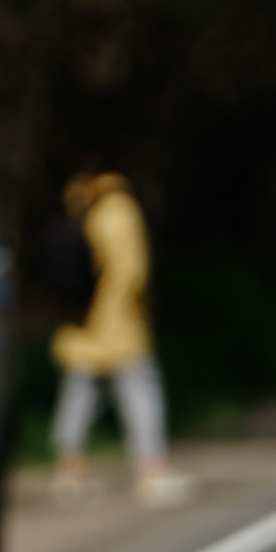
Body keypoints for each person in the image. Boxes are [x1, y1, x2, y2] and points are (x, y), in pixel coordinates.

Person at [49, 159, 191, 506]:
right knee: (141, 387)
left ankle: (70, 468)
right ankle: (152, 470)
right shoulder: (119, 209)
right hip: (118, 320)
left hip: (81, 321)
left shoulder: (80, 205)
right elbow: (133, 270)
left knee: (81, 390)